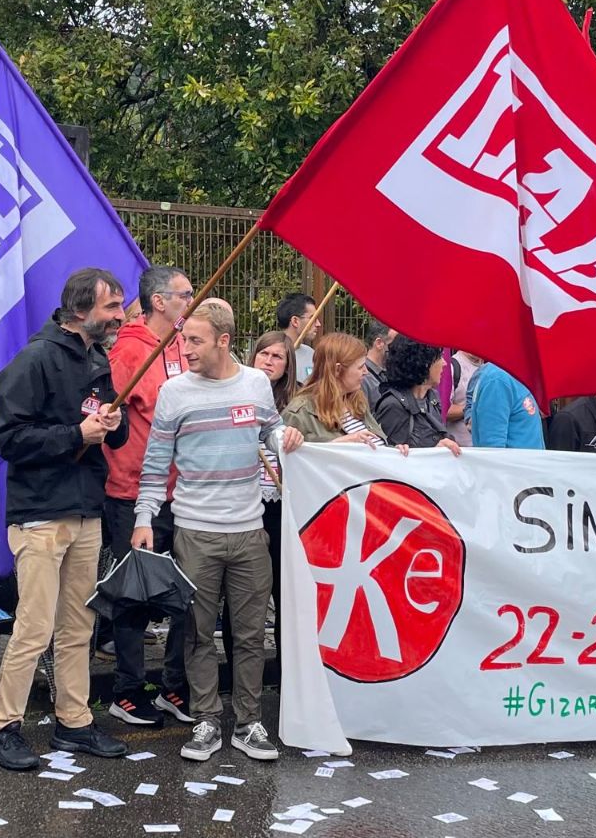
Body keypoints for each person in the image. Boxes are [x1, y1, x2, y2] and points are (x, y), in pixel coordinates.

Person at [134, 300, 303, 763]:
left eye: (195, 340)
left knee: (250, 636)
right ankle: (206, 719)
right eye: (184, 338)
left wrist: (285, 437)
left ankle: (248, 723)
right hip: (194, 532)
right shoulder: (173, 392)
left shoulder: (255, 384)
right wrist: (144, 518)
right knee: (196, 633)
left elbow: (271, 430)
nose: (185, 348)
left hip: (249, 532)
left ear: (224, 341)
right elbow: (155, 464)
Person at [0, 268, 130, 771]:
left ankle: (74, 721)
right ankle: (1, 728)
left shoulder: (97, 357)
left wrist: (113, 424)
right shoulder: (36, 359)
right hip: (41, 513)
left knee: (78, 625)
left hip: (86, 509)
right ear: (80, 310)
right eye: (112, 307)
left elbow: (111, 431)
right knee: (35, 626)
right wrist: (75, 435)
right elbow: (8, 438)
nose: (121, 315)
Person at [101, 265, 194, 728]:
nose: (191, 301)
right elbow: (110, 417)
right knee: (134, 596)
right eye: (185, 294)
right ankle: (127, 691)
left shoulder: (180, 344)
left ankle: (175, 686)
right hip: (132, 492)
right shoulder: (130, 350)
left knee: (186, 593)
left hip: (183, 490)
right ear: (159, 301)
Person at [247, 328, 298, 682]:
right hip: (247, 504)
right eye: (263, 353)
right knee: (246, 596)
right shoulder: (238, 392)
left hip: (283, 505)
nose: (268, 361)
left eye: (277, 356)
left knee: (285, 594)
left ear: (287, 365)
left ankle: (286, 678)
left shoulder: (296, 403)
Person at [283, 332, 406, 450]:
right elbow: (292, 458)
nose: (366, 372)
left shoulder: (357, 402)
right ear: (337, 370)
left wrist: (393, 452)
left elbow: (376, 446)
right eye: (360, 367)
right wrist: (339, 444)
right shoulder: (300, 413)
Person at [374, 335, 462, 453]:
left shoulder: (432, 398)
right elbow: (387, 457)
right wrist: (432, 452)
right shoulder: (393, 406)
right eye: (439, 357)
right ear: (424, 363)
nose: (444, 363)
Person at [467, 363, 545, 450]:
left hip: (529, 458)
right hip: (513, 459)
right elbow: (492, 448)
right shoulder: (497, 380)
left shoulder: (510, 373)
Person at [276, 292, 321, 384]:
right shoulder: (272, 354)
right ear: (295, 321)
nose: (318, 324)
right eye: (313, 318)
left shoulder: (311, 354)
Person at [445, 350, 483, 447]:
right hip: (458, 449)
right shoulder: (452, 366)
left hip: (482, 448)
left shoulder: (487, 367)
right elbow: (443, 410)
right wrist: (475, 407)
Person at [361, 318, 395, 412]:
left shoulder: (388, 372)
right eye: (395, 343)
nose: (399, 347)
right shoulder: (362, 377)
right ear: (379, 343)